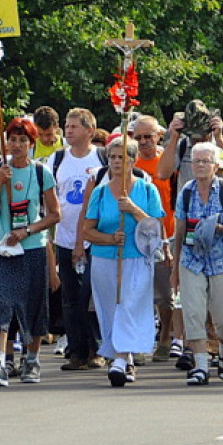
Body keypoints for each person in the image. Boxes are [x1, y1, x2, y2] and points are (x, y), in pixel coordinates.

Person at [0, 117, 61, 386]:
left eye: (23, 140)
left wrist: (28, 231)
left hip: (31, 247)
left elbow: (54, 214)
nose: (17, 145)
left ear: (31, 144)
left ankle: (32, 359)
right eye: (12, 140)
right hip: (2, 248)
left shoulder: (40, 172)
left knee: (34, 305)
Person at [83, 138, 164, 386]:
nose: (116, 162)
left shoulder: (147, 190)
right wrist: (108, 238)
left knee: (128, 306)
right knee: (109, 309)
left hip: (137, 258)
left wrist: (133, 209)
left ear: (133, 160)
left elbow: (155, 227)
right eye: (113, 157)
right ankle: (124, 359)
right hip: (105, 259)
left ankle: (119, 360)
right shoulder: (99, 192)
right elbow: (87, 230)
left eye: (122, 157)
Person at [170, 141, 223, 386]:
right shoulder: (186, 192)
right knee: (193, 312)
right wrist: (175, 269)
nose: (201, 166)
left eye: (206, 161)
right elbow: (180, 231)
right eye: (197, 161)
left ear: (216, 165)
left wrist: (219, 227)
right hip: (192, 260)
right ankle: (201, 365)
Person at [47, 107, 106, 371]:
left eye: (74, 127)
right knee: (70, 298)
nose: (68, 131)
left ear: (89, 131)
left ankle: (97, 348)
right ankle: (76, 350)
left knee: (92, 296)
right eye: (66, 126)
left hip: (95, 238)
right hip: (65, 237)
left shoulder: (101, 159)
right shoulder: (56, 160)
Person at [130, 115, 180, 362]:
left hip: (166, 234)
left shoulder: (167, 162)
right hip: (137, 237)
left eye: (147, 136)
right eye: (137, 137)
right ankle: (140, 341)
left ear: (158, 135)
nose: (143, 142)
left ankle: (165, 336)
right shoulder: (130, 164)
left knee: (164, 294)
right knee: (138, 291)